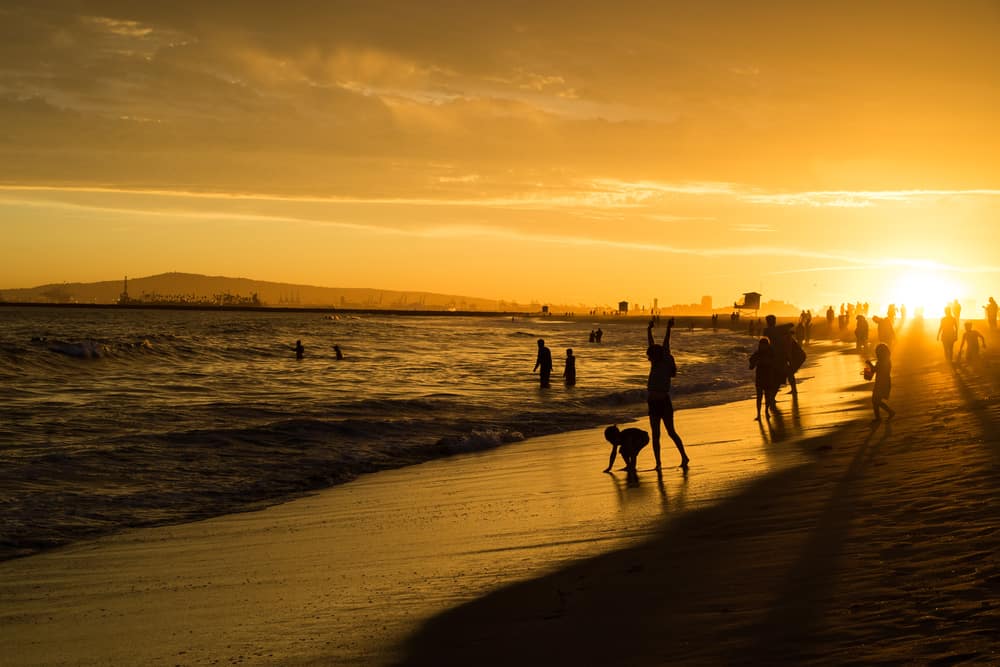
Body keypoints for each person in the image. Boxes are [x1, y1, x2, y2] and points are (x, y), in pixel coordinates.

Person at [646, 317, 689, 469]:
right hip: (653, 402)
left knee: (671, 432)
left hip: (663, 402)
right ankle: (658, 463)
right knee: (656, 435)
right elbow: (652, 345)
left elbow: (666, 342)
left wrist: (669, 328)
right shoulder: (656, 360)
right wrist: (648, 330)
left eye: (650, 356)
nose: (649, 358)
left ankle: (684, 457)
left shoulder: (664, 359)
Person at [749, 337, 779, 420]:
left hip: (768, 376)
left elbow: (774, 363)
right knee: (759, 396)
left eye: (763, 345)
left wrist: (764, 362)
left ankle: (766, 411)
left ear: (767, 345)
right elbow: (751, 365)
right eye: (761, 345)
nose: (762, 346)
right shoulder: (757, 353)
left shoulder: (771, 353)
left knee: (767, 395)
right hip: (759, 377)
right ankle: (758, 414)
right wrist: (754, 363)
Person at [864, 343, 895, 422]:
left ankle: (888, 413)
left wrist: (869, 363)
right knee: (876, 400)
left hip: (881, 383)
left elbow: (875, 370)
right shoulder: (887, 360)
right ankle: (883, 415)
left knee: (875, 400)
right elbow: (878, 370)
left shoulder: (882, 362)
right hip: (885, 382)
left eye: (877, 352)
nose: (876, 353)